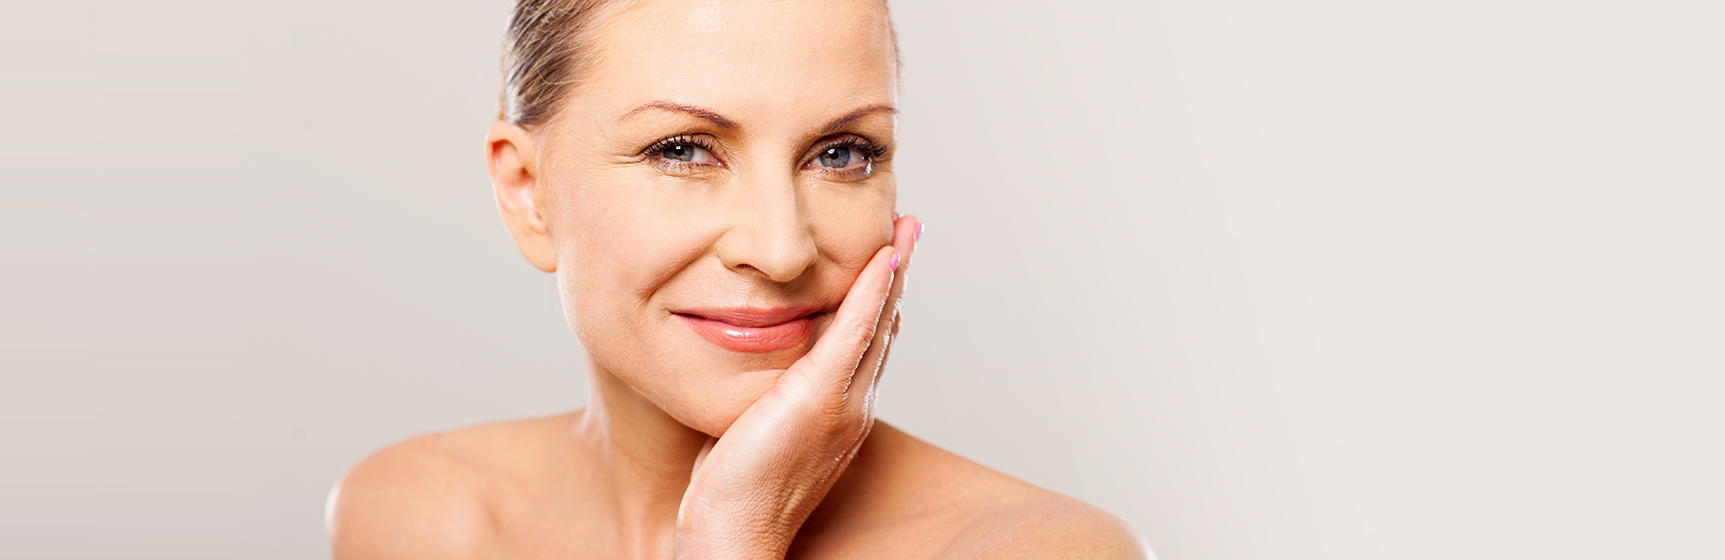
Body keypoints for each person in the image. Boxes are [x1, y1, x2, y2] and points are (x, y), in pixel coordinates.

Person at [326, 0, 1152, 557]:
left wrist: (734, 539)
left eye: (842, 153)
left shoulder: (1038, 551)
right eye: (682, 149)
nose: (783, 250)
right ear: (527, 192)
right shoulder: (423, 520)